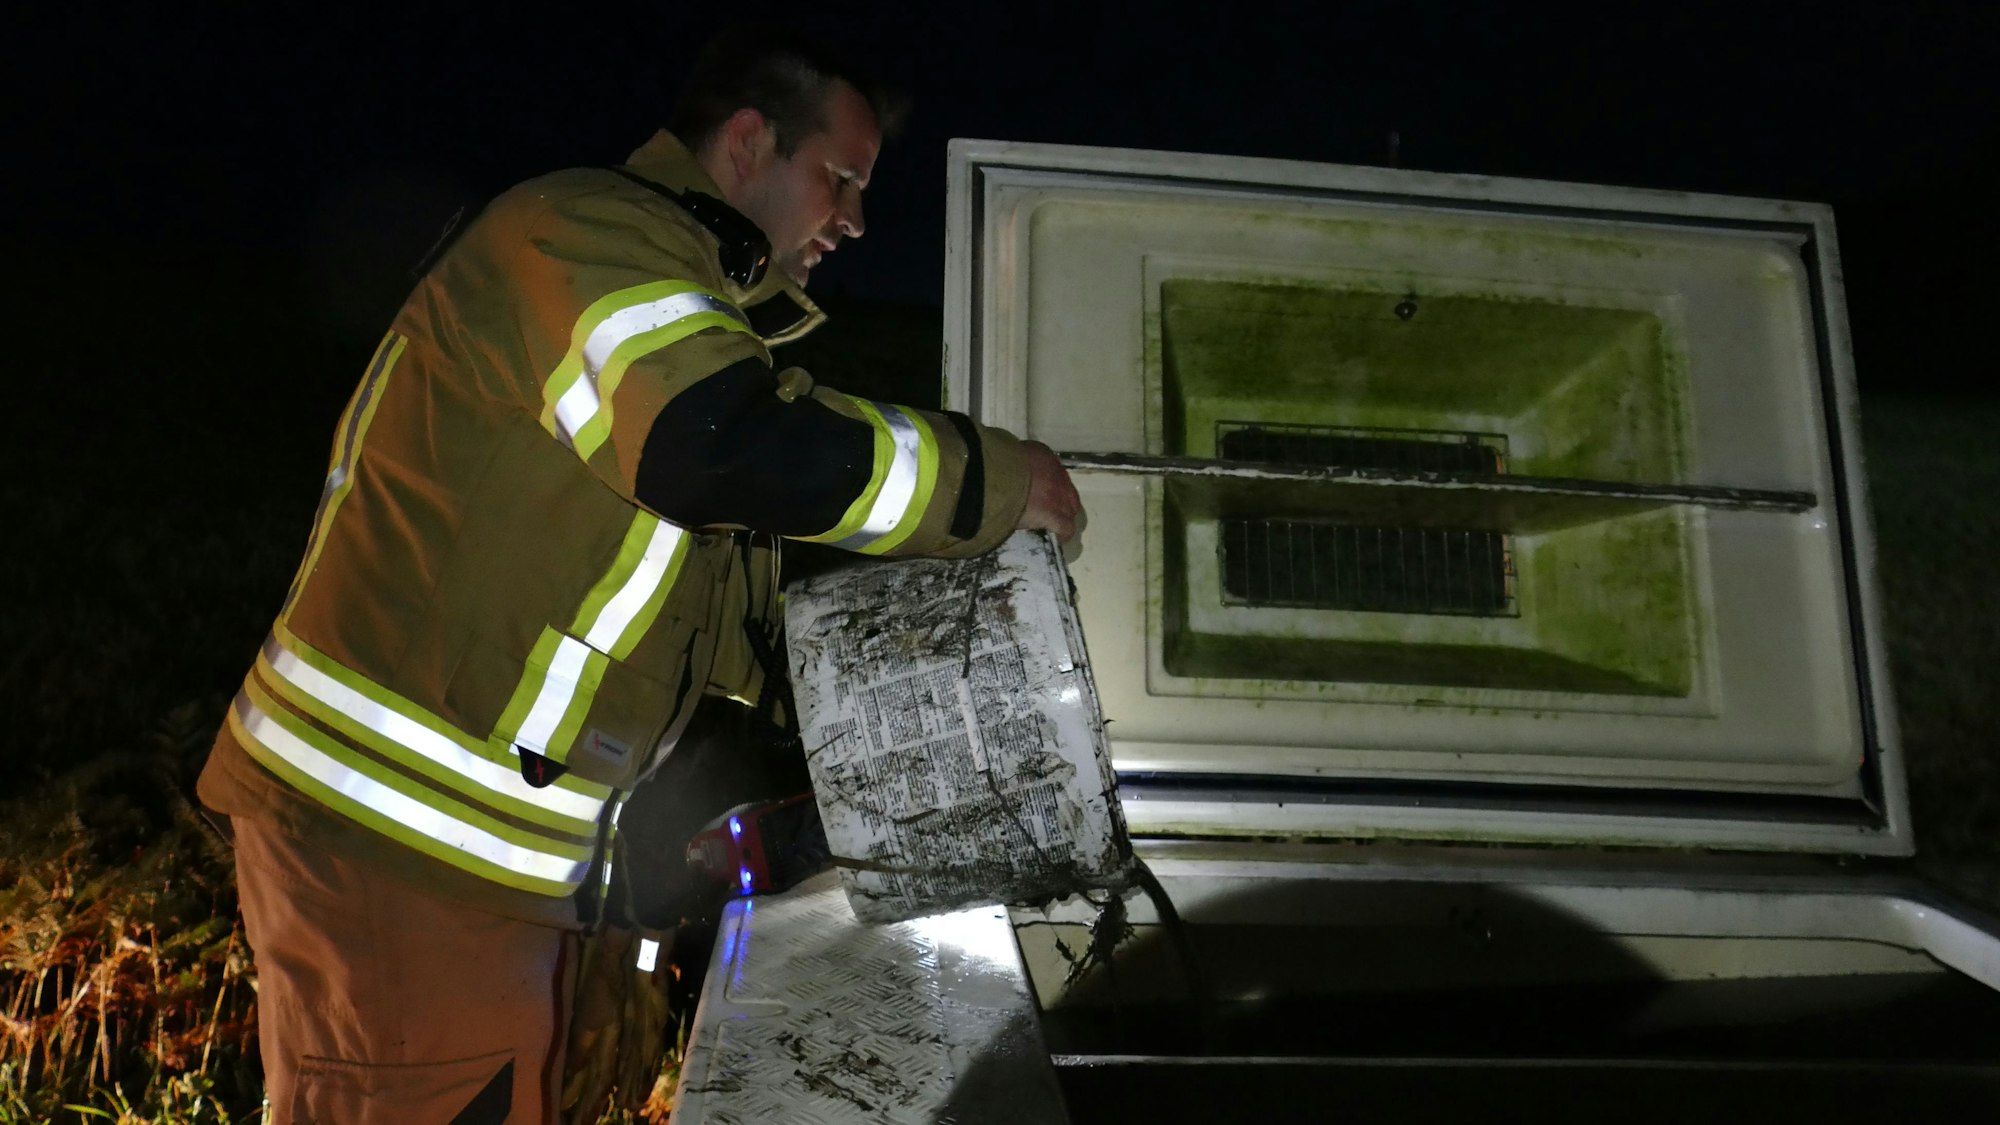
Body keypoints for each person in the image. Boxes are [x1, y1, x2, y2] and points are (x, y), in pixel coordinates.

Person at [196, 26, 1081, 1124]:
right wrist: (991, 481)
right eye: (839, 178)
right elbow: (712, 445)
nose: (852, 218)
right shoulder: (585, 234)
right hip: (395, 846)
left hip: (494, 871)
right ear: (749, 141)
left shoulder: (686, 312)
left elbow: (716, 629)